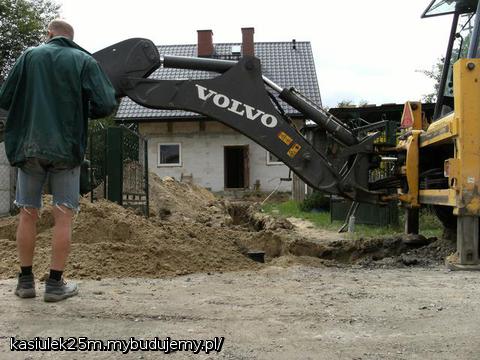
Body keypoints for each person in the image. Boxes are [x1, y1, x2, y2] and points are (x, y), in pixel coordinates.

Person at [0, 19, 117, 302]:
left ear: (49, 34)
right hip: (66, 149)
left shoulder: (30, 56)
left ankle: (25, 282)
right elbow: (106, 103)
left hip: (30, 146)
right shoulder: (83, 60)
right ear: (71, 38)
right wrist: (78, 109)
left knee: (28, 213)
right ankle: (55, 284)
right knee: (63, 216)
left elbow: (5, 97)